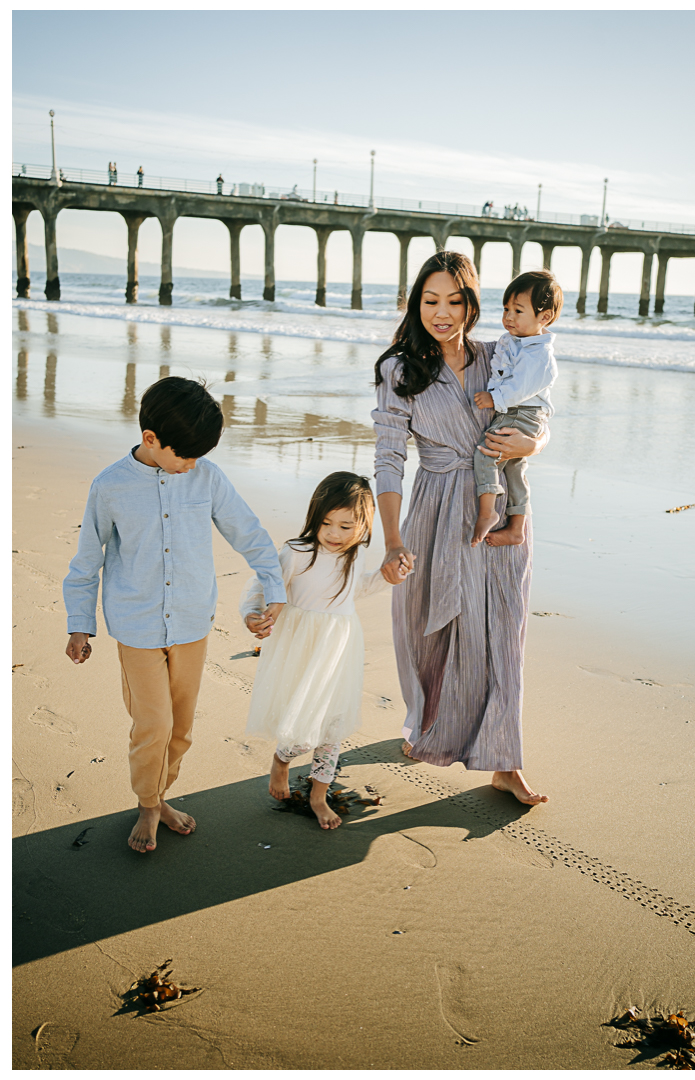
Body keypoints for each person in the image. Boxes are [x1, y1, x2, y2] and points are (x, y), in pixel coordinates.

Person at [63, 377, 286, 853]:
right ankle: (148, 804)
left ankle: (161, 794)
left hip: (190, 622)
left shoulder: (206, 477)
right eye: (184, 455)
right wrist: (79, 623)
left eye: (198, 456)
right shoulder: (110, 486)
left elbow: (247, 531)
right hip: (136, 626)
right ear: (150, 440)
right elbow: (87, 560)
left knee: (181, 728)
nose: (191, 465)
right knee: (154, 726)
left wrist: (274, 584)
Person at [373, 250, 549, 805]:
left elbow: (540, 406)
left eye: (455, 300)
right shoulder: (398, 370)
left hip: (495, 507)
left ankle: (505, 760)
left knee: (504, 632)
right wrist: (394, 537)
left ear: (472, 303)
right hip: (434, 507)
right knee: (432, 632)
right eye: (431, 301)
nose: (442, 313)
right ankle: (429, 725)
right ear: (415, 303)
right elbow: (387, 456)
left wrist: (537, 442)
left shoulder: (500, 355)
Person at [240, 472, 408, 830]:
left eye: (346, 526)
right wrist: (251, 614)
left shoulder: (355, 555)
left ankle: (319, 795)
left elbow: (351, 592)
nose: (334, 534)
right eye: (326, 523)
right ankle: (282, 761)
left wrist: (386, 577)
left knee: (332, 728)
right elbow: (262, 584)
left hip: (338, 650)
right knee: (303, 724)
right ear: (313, 519)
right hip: (300, 648)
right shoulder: (298, 552)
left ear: (364, 527)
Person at [471, 269, 561, 547]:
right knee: (514, 470)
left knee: (486, 455)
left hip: (523, 413)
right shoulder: (513, 341)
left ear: (543, 317)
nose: (508, 316)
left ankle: (487, 513)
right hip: (517, 412)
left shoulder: (540, 355)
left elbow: (519, 388)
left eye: (518, 311)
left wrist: (493, 399)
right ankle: (516, 527)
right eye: (506, 309)